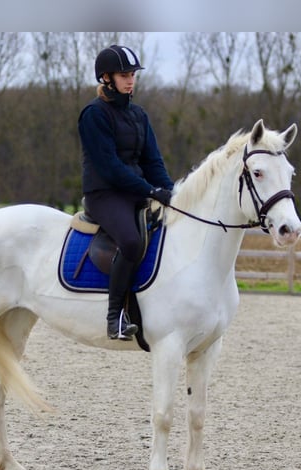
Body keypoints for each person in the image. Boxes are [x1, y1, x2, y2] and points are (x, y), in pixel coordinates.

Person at [78, 44, 175, 342]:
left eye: (132, 74)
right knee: (131, 242)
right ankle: (115, 318)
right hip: (104, 193)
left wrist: (172, 193)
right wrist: (149, 189)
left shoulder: (139, 115)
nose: (130, 80)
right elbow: (109, 167)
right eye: (124, 75)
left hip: (133, 191)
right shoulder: (94, 115)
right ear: (106, 78)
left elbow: (152, 162)